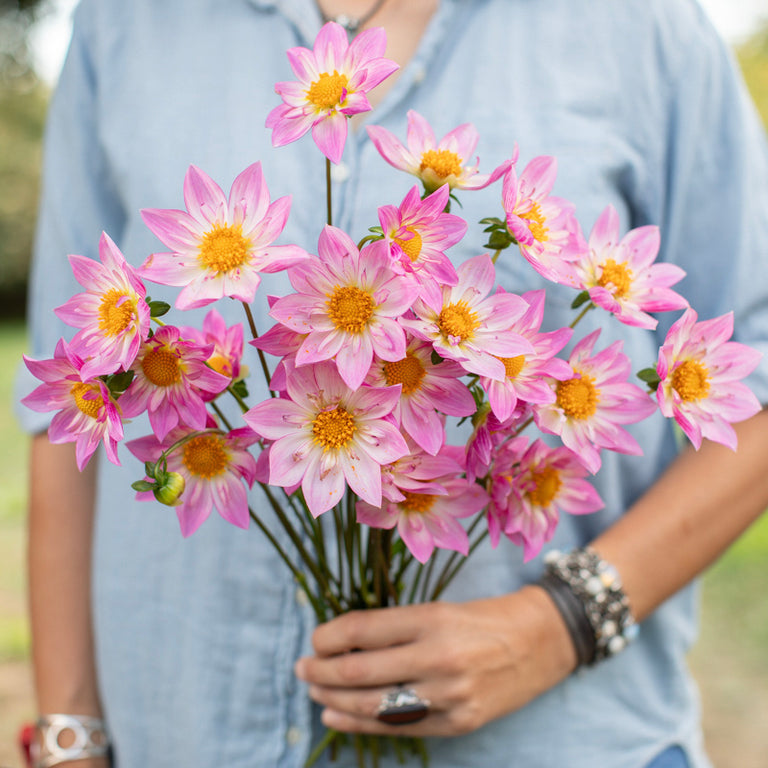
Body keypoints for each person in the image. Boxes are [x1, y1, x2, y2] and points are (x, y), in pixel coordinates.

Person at [18, 0, 768, 766]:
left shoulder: (642, 27)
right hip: (181, 735)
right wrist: (69, 736)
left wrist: (560, 623)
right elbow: (65, 396)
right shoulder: (123, 23)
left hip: (557, 741)